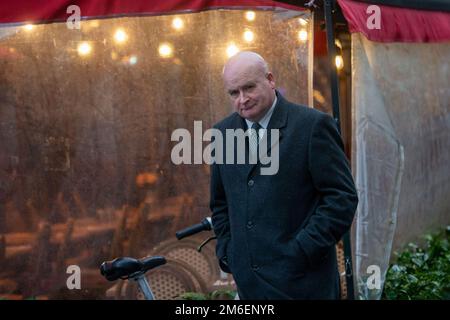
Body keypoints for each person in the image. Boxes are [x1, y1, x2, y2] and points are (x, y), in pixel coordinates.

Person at [210, 51, 358, 299]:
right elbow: (220, 203)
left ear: (270, 79)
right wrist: (229, 253)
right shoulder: (222, 133)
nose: (242, 99)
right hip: (250, 288)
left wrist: (302, 250)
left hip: (306, 286)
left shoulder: (312, 126)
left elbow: (342, 198)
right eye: (234, 93)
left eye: (249, 88)